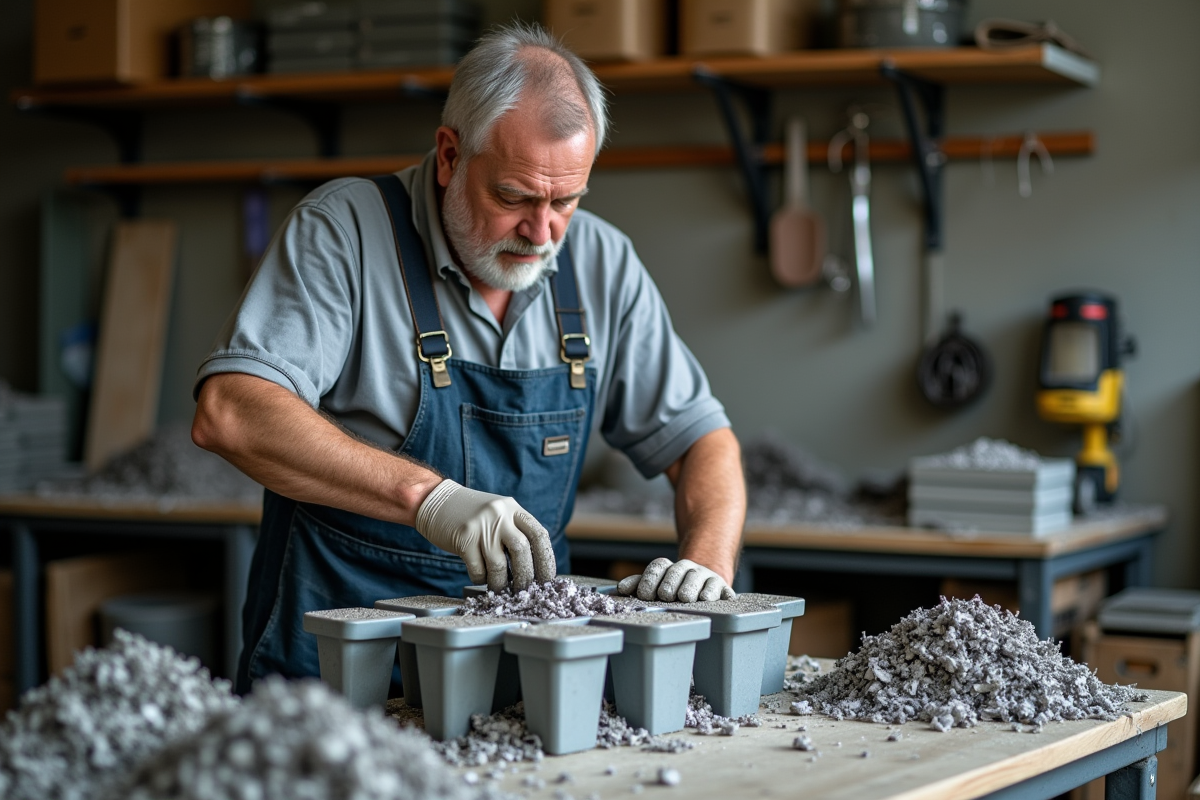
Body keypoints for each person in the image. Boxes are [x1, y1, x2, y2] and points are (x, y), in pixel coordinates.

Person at [191, 22, 746, 694]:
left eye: (565, 201)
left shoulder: (602, 263)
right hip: (340, 670)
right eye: (514, 198)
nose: (542, 233)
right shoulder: (345, 231)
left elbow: (703, 441)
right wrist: (429, 498)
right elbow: (231, 412)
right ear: (450, 155)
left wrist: (708, 564)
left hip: (525, 676)